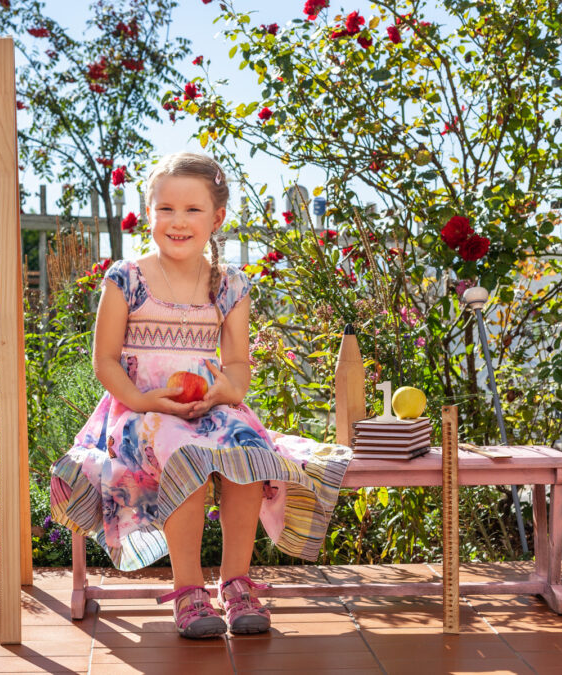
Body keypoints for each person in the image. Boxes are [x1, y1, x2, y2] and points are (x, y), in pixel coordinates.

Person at [49, 152, 351, 639]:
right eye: (164, 208)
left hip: (209, 404)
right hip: (141, 408)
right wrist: (146, 401)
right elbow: (104, 359)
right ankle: (188, 590)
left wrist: (218, 395)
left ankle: (236, 583)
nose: (177, 221)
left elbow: (236, 366)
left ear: (217, 217)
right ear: (148, 213)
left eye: (192, 210)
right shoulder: (126, 279)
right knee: (183, 452)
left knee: (248, 451)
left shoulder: (229, 285)